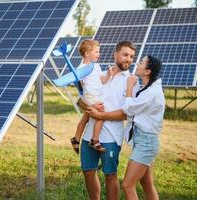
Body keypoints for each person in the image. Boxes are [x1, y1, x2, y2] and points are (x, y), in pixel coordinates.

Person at [87, 56, 165, 200]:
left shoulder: (150, 93)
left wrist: (129, 87)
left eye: (141, 62)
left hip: (146, 143)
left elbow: (128, 108)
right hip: (145, 140)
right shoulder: (148, 88)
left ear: (147, 71)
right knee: (146, 183)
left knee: (128, 185)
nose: (137, 63)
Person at [78, 41, 137, 200]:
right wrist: (87, 107)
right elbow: (81, 100)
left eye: (131, 57)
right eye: (125, 55)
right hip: (89, 134)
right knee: (88, 172)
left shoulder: (131, 81)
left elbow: (127, 113)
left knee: (110, 176)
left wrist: (101, 116)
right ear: (115, 54)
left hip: (111, 137)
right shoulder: (99, 74)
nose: (128, 59)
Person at [70, 39, 111, 154]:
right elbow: (79, 84)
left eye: (99, 52)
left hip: (95, 95)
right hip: (89, 96)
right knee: (101, 113)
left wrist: (108, 75)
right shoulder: (81, 69)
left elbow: (102, 81)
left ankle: (76, 138)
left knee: (86, 117)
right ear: (87, 53)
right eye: (96, 52)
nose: (99, 54)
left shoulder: (96, 66)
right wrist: (78, 82)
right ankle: (95, 140)